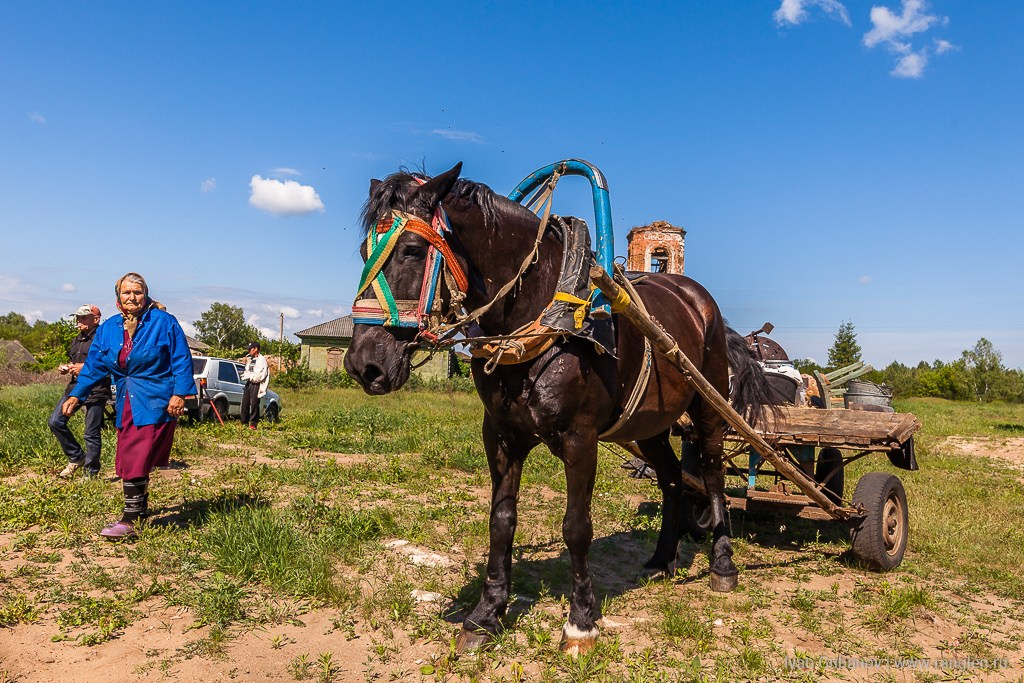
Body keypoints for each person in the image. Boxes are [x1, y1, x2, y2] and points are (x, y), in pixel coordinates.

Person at [62, 273, 195, 540]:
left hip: (156, 400)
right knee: (131, 455)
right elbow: (93, 367)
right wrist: (77, 395)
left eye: (137, 292)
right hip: (126, 399)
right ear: (118, 297)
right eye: (126, 292)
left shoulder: (164, 322)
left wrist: (180, 394)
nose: (132, 297)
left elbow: (181, 359)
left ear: (145, 295)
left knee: (134, 455)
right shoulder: (109, 328)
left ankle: (130, 519)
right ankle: (140, 512)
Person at [50, 304, 111, 479]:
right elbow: (76, 363)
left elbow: (108, 365)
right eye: (77, 317)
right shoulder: (77, 339)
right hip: (74, 388)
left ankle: (90, 473)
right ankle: (76, 457)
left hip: (96, 390)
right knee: (55, 422)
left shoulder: (103, 338)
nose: (78, 321)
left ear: (96, 319)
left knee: (91, 433)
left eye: (83, 317)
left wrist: (84, 368)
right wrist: (67, 368)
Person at [240, 341, 269, 429]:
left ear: (256, 349)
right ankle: (244, 422)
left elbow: (260, 376)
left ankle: (253, 424)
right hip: (249, 383)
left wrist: (250, 376)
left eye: (250, 349)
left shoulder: (261, 360)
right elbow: (247, 370)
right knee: (245, 403)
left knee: (254, 404)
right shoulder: (251, 359)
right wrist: (246, 375)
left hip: (256, 384)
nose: (249, 351)